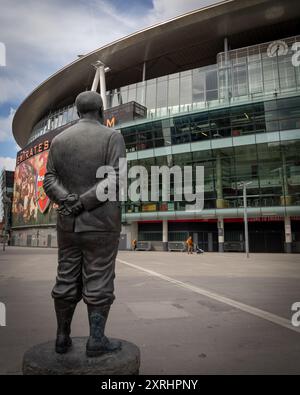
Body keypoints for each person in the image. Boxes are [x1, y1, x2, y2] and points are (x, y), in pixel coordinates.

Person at [43, 91, 126, 357]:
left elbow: (49, 179)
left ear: (77, 112)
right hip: (100, 223)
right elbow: (115, 180)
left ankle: (61, 337)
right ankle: (96, 340)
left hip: (67, 222)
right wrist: (85, 201)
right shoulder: (113, 137)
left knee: (66, 276)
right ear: (101, 111)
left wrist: (68, 200)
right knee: (99, 278)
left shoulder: (58, 140)